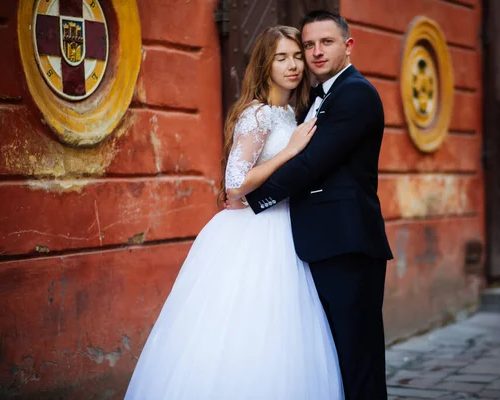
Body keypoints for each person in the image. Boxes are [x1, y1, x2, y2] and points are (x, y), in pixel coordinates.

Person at [124, 25, 344, 400]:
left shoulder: (291, 113)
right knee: (242, 323)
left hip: (287, 227)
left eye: (296, 56)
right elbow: (235, 184)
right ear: (265, 64)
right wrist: (290, 150)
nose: (293, 65)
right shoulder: (257, 115)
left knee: (282, 330)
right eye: (281, 58)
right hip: (255, 230)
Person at [230, 10, 394, 400]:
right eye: (309, 45)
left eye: (326, 43)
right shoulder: (310, 100)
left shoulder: (355, 93)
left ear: (348, 45)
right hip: (316, 242)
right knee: (330, 354)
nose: (315, 53)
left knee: (358, 356)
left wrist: (252, 199)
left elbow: (311, 163)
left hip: (347, 240)